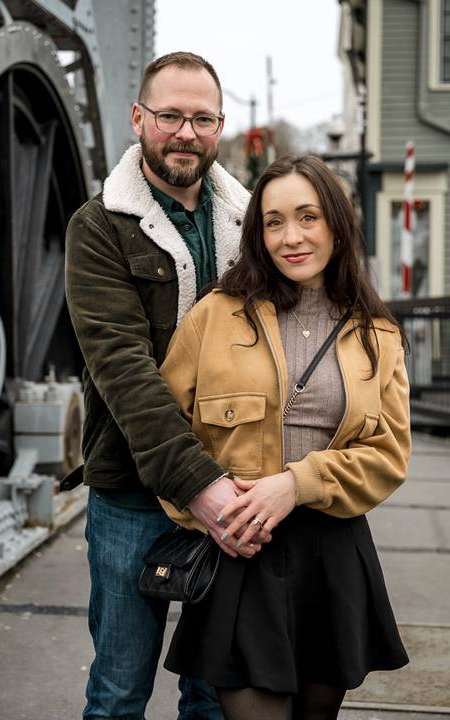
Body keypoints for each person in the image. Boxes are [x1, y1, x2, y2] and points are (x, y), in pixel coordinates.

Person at [159, 154, 411, 720]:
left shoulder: (378, 333)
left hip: (333, 556)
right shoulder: (215, 316)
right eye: (273, 221)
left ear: (338, 225)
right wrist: (206, 504)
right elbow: (163, 433)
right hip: (242, 551)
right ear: (257, 233)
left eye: (307, 216)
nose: (290, 237)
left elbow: (389, 454)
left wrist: (298, 484)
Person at [65, 51, 254, 720]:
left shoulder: (254, 225)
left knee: (217, 695)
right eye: (170, 115)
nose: (185, 132)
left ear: (221, 125)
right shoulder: (98, 228)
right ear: (138, 117)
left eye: (202, 118)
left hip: (241, 489)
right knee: (118, 692)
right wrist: (198, 486)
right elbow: (121, 368)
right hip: (134, 494)